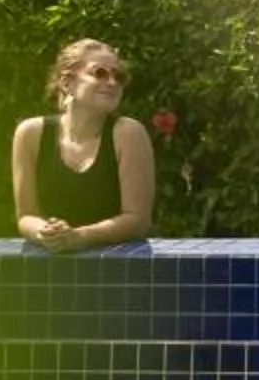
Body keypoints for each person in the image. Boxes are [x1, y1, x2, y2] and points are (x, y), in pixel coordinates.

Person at [12, 37, 155, 252]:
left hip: (120, 266)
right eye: (99, 73)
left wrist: (80, 236)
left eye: (119, 76)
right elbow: (26, 215)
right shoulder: (30, 134)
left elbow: (137, 220)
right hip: (50, 267)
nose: (112, 82)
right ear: (66, 83)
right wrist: (46, 233)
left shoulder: (129, 133)